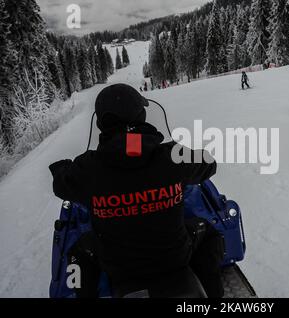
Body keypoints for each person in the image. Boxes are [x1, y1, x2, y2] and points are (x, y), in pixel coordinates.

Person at [49, 84, 224, 298]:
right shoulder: (171, 157)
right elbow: (209, 163)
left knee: (78, 251)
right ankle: (214, 294)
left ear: (101, 123)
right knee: (209, 232)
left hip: (119, 268)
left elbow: (60, 184)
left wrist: (61, 169)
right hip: (173, 259)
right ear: (141, 115)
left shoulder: (88, 170)